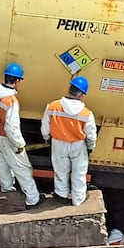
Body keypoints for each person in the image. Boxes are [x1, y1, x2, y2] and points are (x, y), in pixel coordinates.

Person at [0, 63, 41, 209]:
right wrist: (19, 145)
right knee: (22, 168)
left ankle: (7, 190)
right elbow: (11, 127)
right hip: (8, 139)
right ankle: (32, 199)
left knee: (2, 164)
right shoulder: (11, 101)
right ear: (17, 81)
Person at [41, 76, 97, 206]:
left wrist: (46, 138)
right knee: (79, 173)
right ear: (82, 95)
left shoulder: (53, 106)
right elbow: (91, 134)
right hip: (78, 145)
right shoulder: (86, 113)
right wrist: (90, 147)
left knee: (60, 171)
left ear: (69, 89)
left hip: (58, 143)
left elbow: (45, 125)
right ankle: (78, 200)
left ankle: (61, 195)